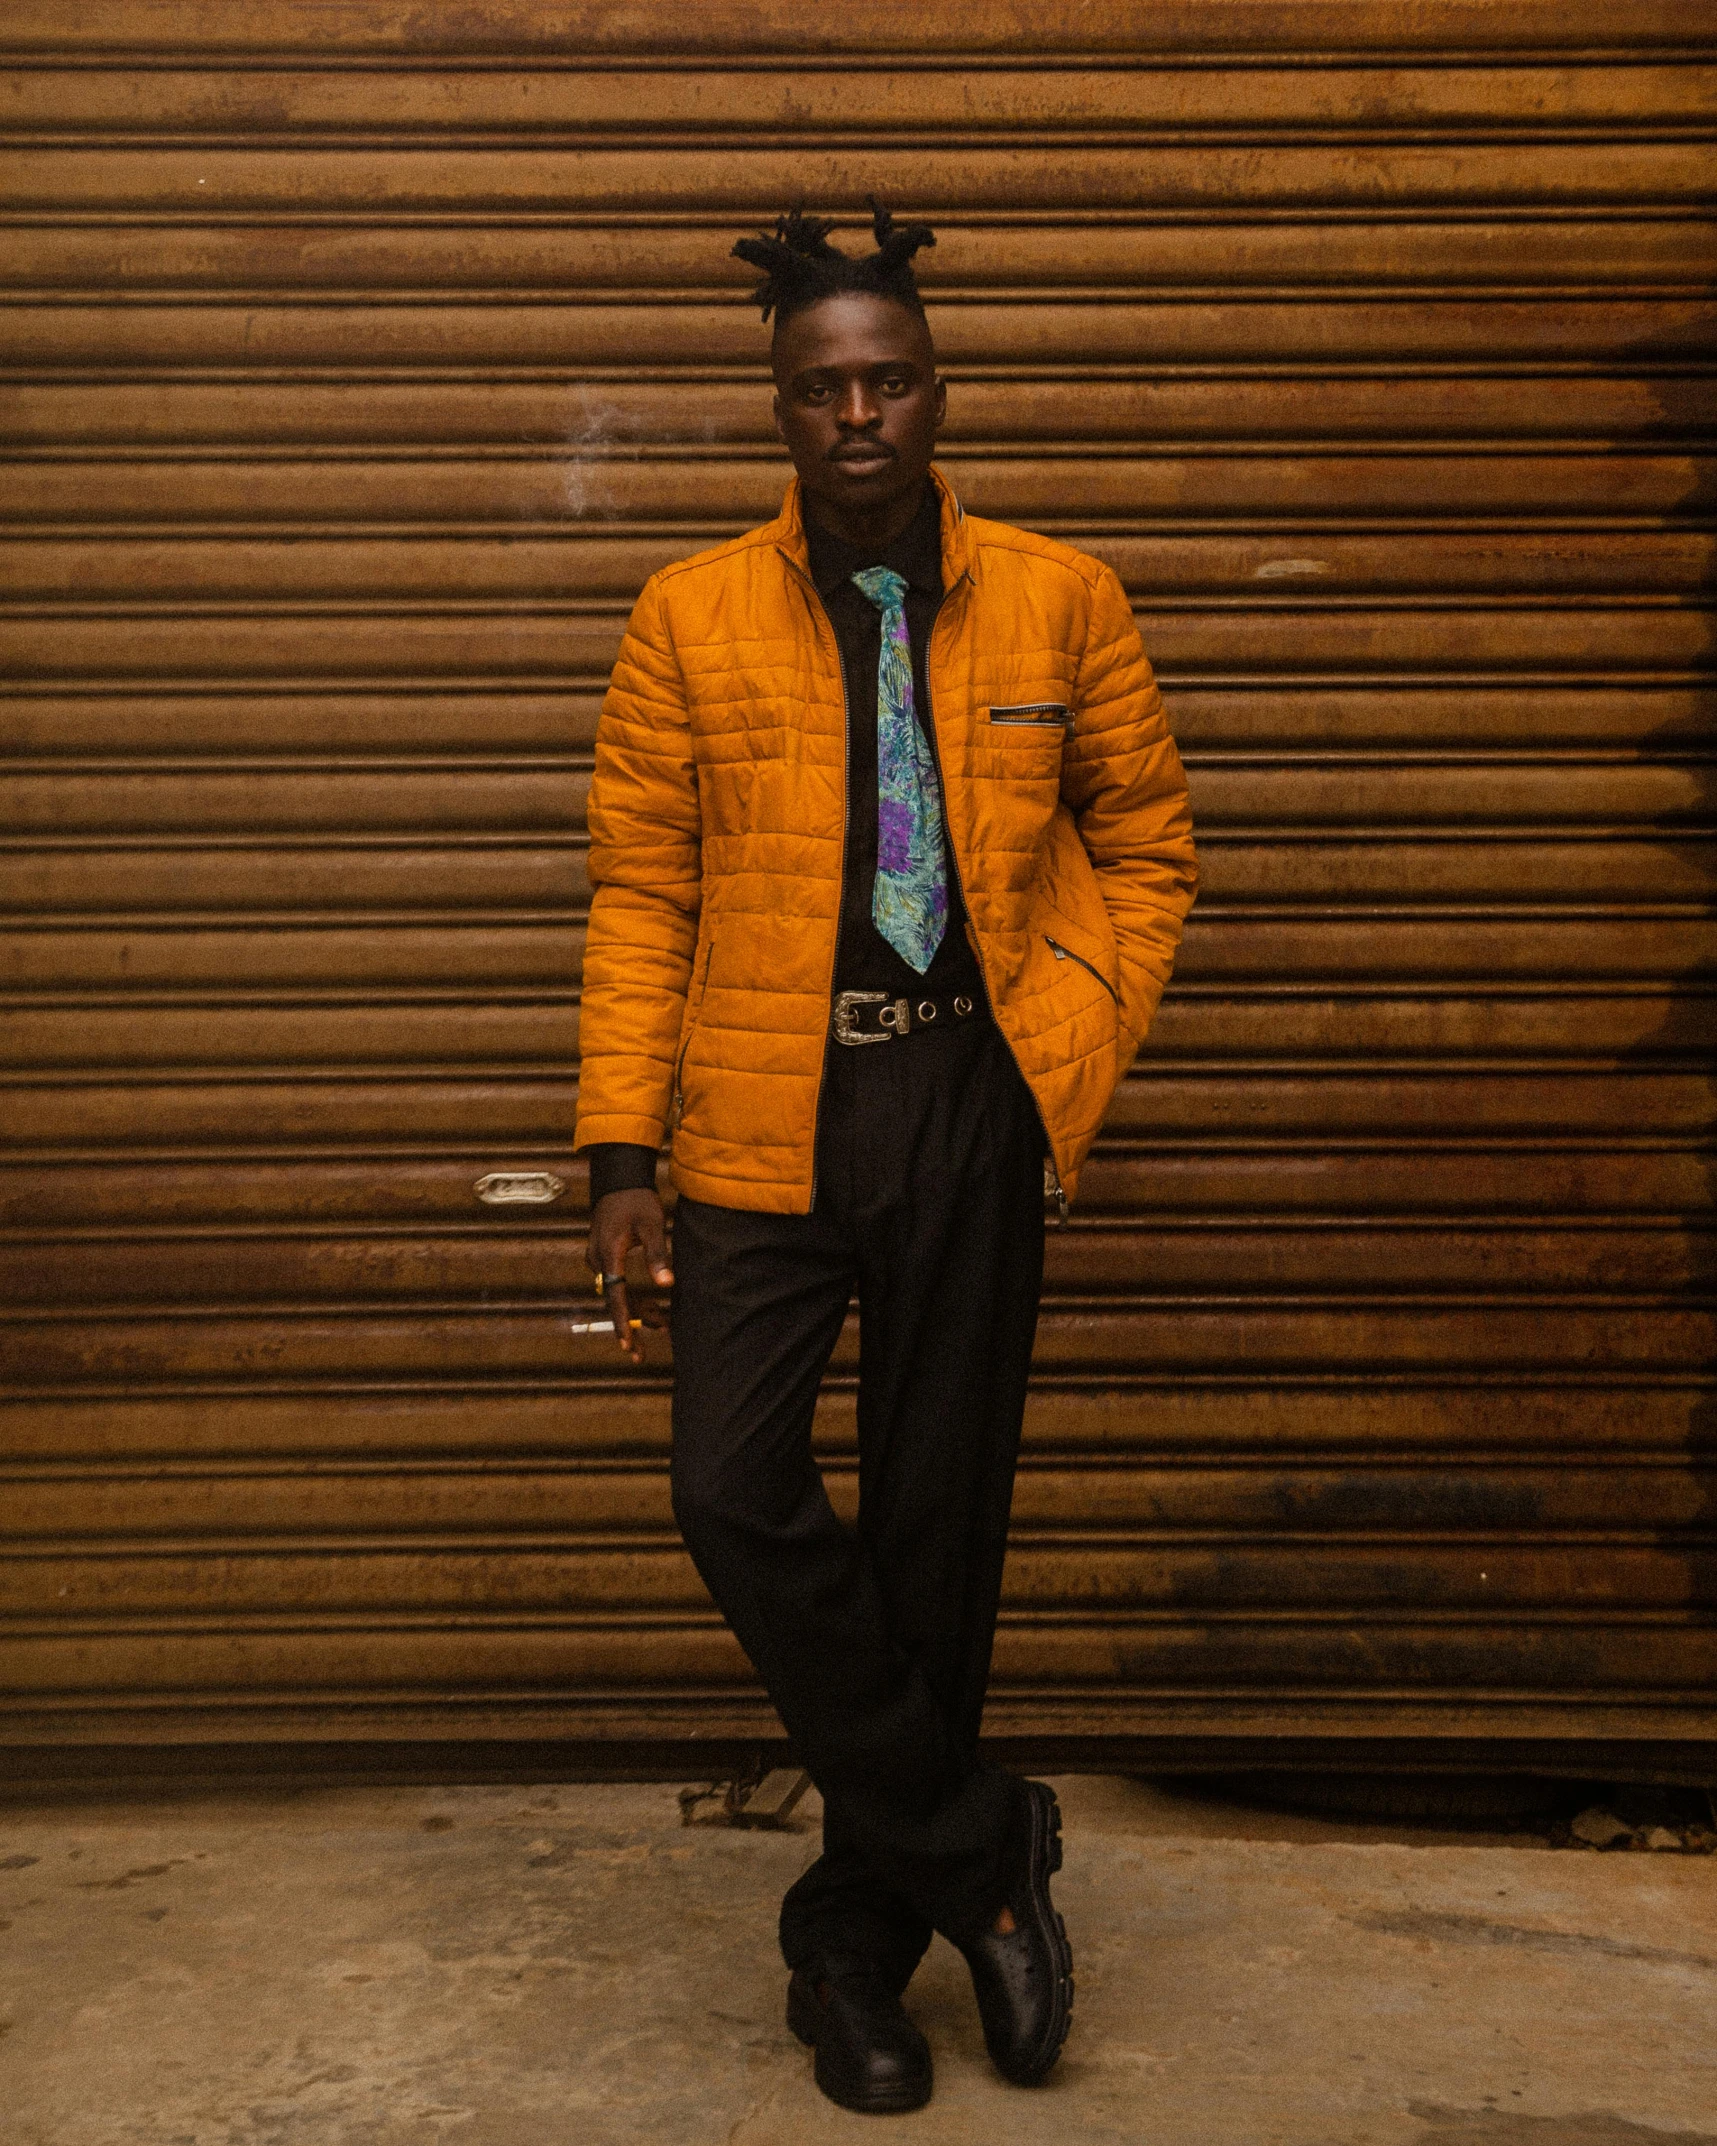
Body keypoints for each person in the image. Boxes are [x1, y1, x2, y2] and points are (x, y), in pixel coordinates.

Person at [575, 205, 1197, 2115]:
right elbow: (642, 888)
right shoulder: (687, 613)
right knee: (730, 1487)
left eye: (890, 377)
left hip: (966, 1105)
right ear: (778, 409)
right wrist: (620, 1149)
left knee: (940, 1532)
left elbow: (1150, 839)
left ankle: (854, 1951)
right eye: (820, 387)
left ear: (940, 389)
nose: (858, 411)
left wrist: (1064, 1038)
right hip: (761, 1114)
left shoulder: (1060, 597)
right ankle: (983, 1845)